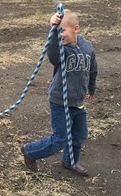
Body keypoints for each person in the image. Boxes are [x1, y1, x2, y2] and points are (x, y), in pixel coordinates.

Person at [21, 9, 98, 176]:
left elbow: (93, 70)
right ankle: (30, 151)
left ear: (76, 29)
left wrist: (91, 88)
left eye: (63, 30)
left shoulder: (87, 47)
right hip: (60, 101)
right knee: (61, 138)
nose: (60, 34)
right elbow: (53, 56)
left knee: (79, 135)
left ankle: (69, 161)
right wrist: (54, 28)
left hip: (78, 102)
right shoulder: (61, 49)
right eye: (59, 31)